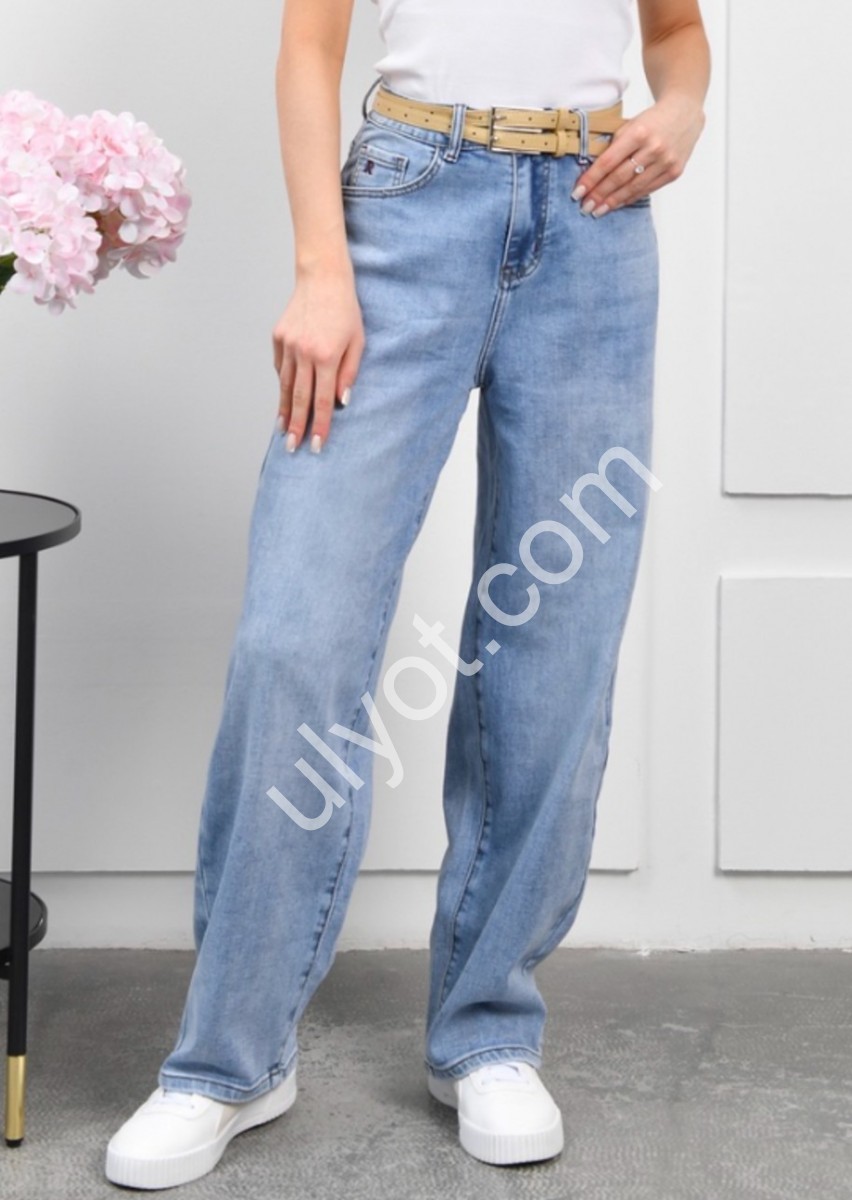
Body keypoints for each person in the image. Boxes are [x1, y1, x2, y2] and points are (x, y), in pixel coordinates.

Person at [105, 0, 709, 1188]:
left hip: (597, 222)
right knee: (296, 637)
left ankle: (488, 1029)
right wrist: (322, 268)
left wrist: (683, 108)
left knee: (555, 650)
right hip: (407, 197)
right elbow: (309, 45)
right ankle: (229, 1058)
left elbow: (677, 30)